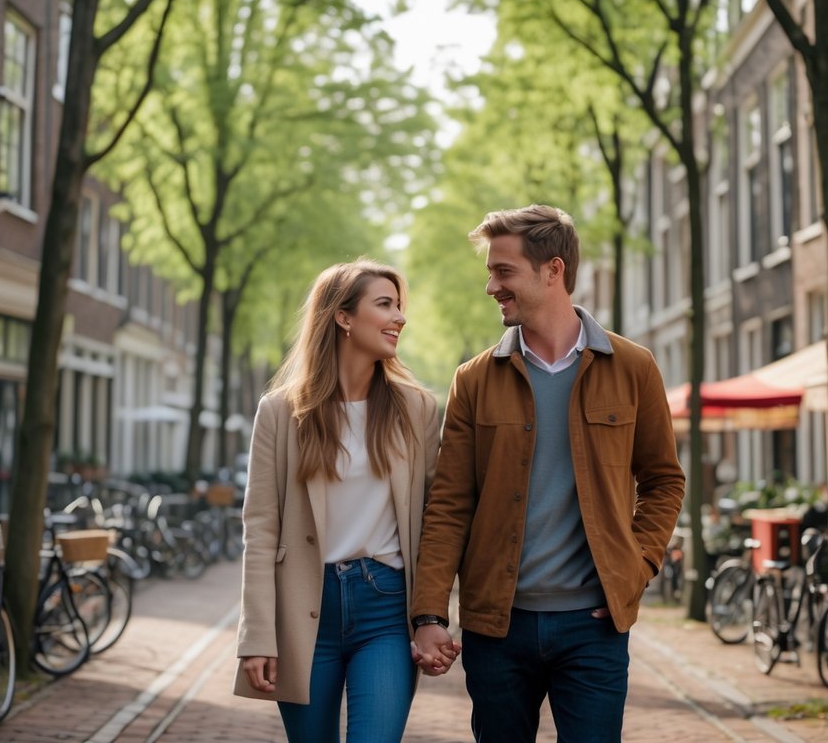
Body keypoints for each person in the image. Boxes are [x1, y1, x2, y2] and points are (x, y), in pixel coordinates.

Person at [411, 205, 686, 742]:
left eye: (503, 271)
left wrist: (637, 566)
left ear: (552, 270)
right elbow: (448, 504)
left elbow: (663, 481)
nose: (491, 286)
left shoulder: (634, 368)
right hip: (497, 626)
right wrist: (429, 613)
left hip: (594, 627)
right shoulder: (473, 380)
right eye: (491, 272)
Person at [234, 259, 445, 743]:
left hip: (386, 609)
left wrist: (433, 615)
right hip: (304, 607)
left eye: (400, 306)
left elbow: (437, 519)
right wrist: (258, 635)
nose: (400, 317)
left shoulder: (417, 409)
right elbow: (261, 526)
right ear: (343, 317)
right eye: (385, 304)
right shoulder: (282, 412)